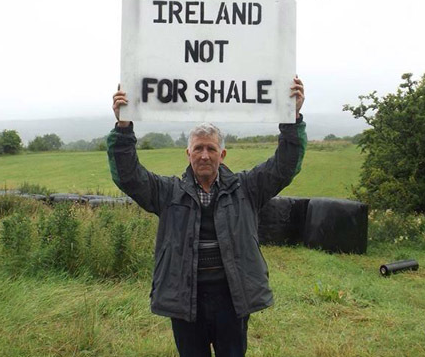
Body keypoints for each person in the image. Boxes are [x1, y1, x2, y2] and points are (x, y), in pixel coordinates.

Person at [107, 77, 306, 357]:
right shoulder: (168, 192)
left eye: (211, 148)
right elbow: (128, 176)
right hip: (185, 299)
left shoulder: (247, 188)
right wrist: (124, 127)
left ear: (222, 154)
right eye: (198, 148)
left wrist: (292, 118)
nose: (204, 155)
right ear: (188, 153)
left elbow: (285, 166)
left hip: (232, 298)